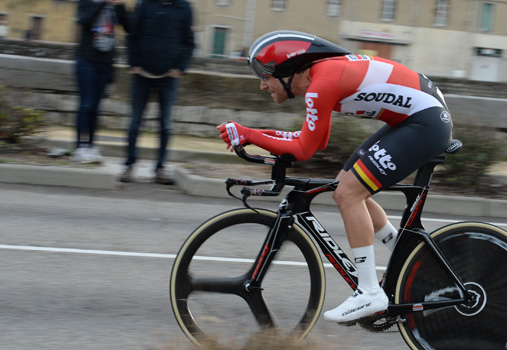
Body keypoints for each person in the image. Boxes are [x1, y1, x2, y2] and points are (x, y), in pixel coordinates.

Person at [217, 31, 453, 323]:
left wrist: (250, 134)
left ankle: (369, 292)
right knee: (347, 186)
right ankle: (409, 257)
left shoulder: (323, 83)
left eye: (266, 76)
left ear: (289, 72)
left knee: (348, 193)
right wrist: (251, 135)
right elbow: (313, 141)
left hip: (425, 122)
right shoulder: (321, 79)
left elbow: (303, 149)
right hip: (414, 118)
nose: (262, 85)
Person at [120, 0, 195, 184]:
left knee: (166, 125)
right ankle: (129, 165)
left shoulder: (184, 8)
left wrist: (180, 67)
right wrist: (133, 62)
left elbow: (189, 42)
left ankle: (160, 168)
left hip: (168, 76)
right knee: (135, 123)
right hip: (142, 73)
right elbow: (132, 34)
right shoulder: (144, 4)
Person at [72, 0, 130, 164]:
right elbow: (84, 20)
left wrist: (120, 6)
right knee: (86, 104)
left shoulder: (114, 7)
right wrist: (103, 3)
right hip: (86, 60)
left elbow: (128, 26)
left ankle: (91, 145)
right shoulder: (88, 2)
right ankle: (80, 147)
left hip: (105, 62)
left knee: (96, 107)